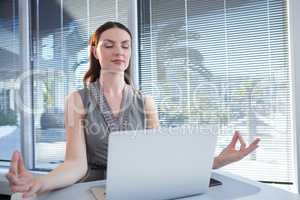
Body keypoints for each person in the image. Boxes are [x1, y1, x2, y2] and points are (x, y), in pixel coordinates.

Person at [6, 21, 260, 199]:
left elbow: (160, 161)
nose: (119, 51)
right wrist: (40, 182)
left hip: (139, 189)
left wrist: (217, 161)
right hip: (93, 188)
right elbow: (75, 164)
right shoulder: (77, 100)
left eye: (125, 45)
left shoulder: (146, 102)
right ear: (94, 50)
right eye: (109, 45)